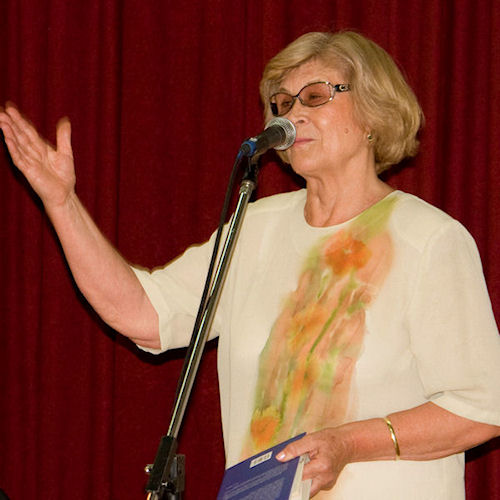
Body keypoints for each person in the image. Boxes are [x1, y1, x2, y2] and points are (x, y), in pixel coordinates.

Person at [1, 30, 500, 499]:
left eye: (315, 96)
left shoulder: (428, 239)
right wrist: (62, 204)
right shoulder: (254, 226)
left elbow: (482, 407)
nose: (293, 113)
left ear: (373, 112)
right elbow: (145, 315)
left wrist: (349, 442)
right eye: (282, 103)